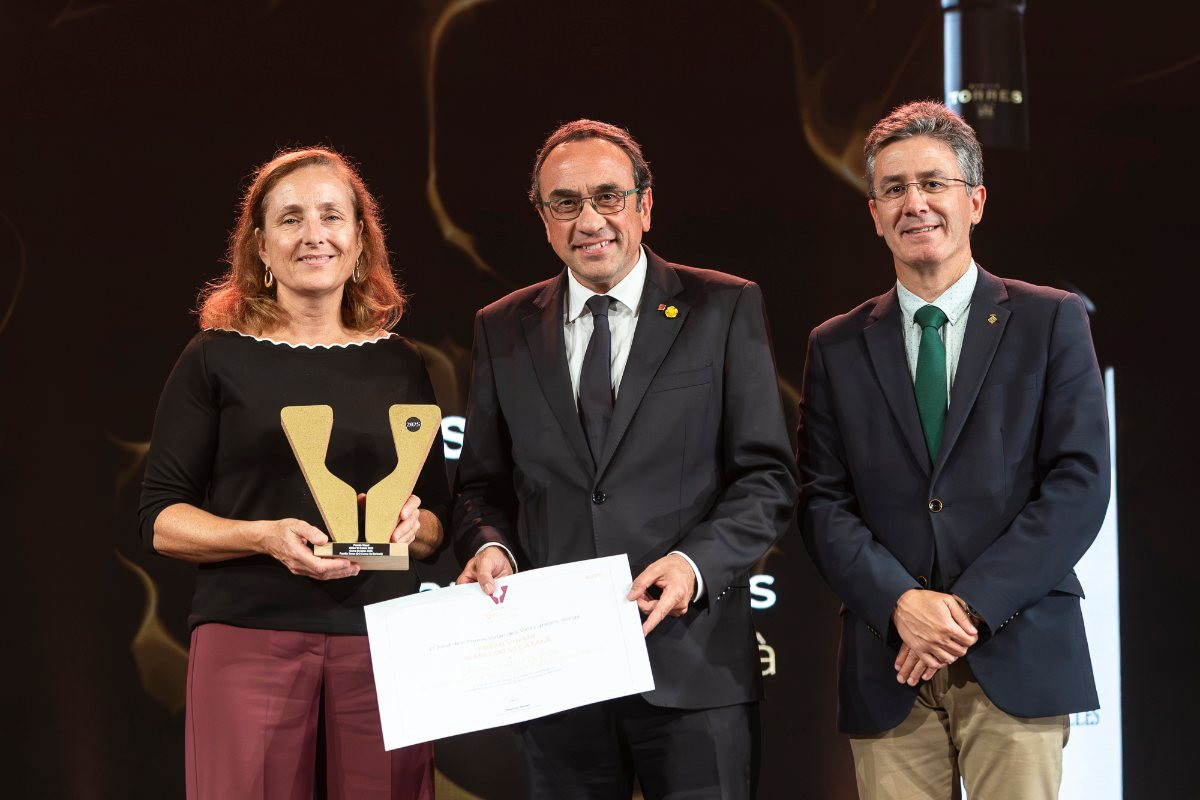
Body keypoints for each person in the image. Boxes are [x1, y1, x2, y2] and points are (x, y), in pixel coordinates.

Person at [451, 119, 798, 799]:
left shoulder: (722, 306)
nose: (589, 220)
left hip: (694, 671)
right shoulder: (501, 327)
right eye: (565, 203)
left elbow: (768, 477)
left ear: (644, 204)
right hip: (557, 677)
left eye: (609, 197)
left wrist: (694, 564)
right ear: (543, 218)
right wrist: (493, 548)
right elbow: (480, 486)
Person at [796, 100, 1110, 800]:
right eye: (895, 188)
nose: (916, 203)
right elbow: (822, 500)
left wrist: (965, 608)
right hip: (890, 662)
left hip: (1017, 649)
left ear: (975, 200)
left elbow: (1078, 484)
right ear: (874, 212)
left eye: (934, 183)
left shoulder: (1050, 318)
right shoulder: (835, 344)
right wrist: (901, 601)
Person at [138, 147, 447, 800]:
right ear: (260, 245)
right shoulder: (213, 359)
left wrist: (414, 524)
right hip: (250, 639)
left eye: (333, 216)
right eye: (291, 219)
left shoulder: (402, 363)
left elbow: (436, 521)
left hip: (385, 644)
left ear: (360, 240)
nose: (314, 235)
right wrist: (262, 537)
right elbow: (162, 519)